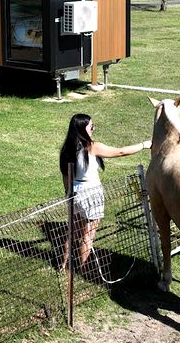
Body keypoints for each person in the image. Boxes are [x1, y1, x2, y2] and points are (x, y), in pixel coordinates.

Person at [58, 113, 151, 277]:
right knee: (88, 236)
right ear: (83, 128)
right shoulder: (92, 147)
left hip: (75, 193)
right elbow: (121, 152)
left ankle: (63, 265)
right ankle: (83, 270)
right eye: (91, 126)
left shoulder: (67, 149)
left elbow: (66, 177)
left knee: (73, 232)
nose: (93, 129)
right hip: (91, 193)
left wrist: (69, 196)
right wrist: (144, 144)